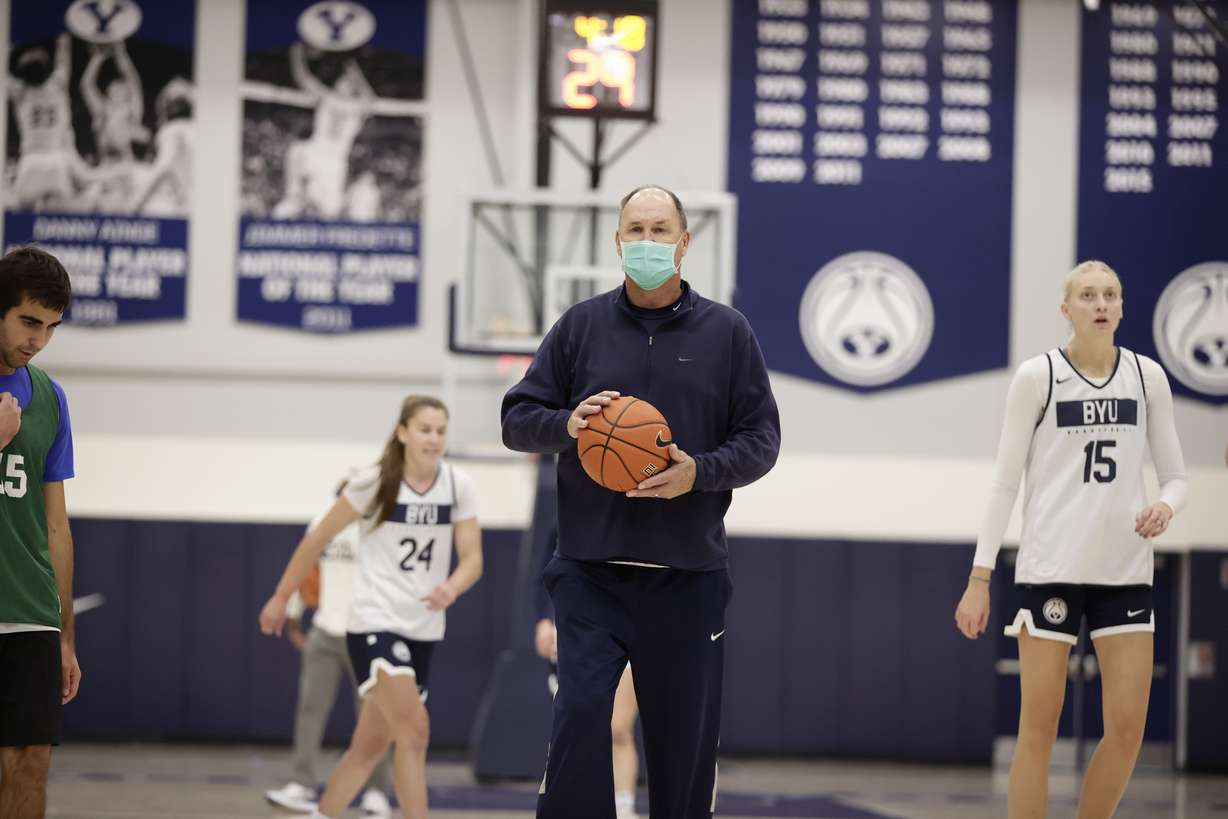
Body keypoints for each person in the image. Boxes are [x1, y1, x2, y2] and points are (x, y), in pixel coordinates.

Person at [501, 185, 781, 819]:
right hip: (589, 574)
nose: (647, 242)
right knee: (577, 724)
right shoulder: (580, 326)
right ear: (617, 242)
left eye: (660, 230)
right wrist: (569, 423)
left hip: (687, 579)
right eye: (635, 230)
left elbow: (762, 441)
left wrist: (700, 473)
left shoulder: (727, 333)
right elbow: (517, 418)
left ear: (684, 243)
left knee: (682, 754)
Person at [955, 260, 1188, 819]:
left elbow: (1177, 477)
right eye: (1087, 295)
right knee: (1039, 727)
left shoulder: (1147, 376)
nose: (1101, 304)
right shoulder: (1039, 377)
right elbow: (1005, 484)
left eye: (1110, 294)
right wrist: (979, 579)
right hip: (1050, 568)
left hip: (1125, 570)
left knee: (1128, 727)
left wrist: (1164, 505)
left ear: (1123, 306)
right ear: (1067, 308)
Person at [259, 395, 483, 819]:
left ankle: (323, 813)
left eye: (440, 430)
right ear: (402, 432)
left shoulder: (458, 485)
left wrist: (450, 588)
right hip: (374, 622)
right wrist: (281, 596)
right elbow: (316, 539)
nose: (434, 438)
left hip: (424, 629)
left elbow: (473, 559)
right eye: (424, 429)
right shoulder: (373, 482)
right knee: (415, 733)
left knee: (367, 749)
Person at [0, 246, 81, 819]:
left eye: (51, 327)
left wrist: (65, 633)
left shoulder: (50, 397)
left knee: (31, 760)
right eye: (29, 321)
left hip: (28, 609)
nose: (39, 339)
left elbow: (55, 523)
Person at [264, 477, 394, 817]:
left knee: (374, 717)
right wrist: (292, 615)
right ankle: (302, 784)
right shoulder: (322, 522)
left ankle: (377, 792)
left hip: (366, 634)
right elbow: (303, 567)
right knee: (309, 709)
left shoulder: (378, 526)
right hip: (324, 631)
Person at [533, 523, 640, 819]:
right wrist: (544, 619)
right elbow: (545, 572)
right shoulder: (571, 511)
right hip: (580, 626)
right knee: (577, 726)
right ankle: (570, 802)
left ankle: (624, 804)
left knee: (618, 727)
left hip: (631, 620)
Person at [272, 43, 374, 220]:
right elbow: (303, 78)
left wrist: (353, 71)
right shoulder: (327, 97)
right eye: (342, 81)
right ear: (336, 84)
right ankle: (293, 195)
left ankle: (310, 203)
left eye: (349, 83)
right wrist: (296, 53)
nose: (345, 83)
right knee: (297, 150)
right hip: (316, 149)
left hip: (335, 161)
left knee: (330, 212)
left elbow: (369, 98)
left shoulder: (357, 107)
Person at [7, 35, 96, 211]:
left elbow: (4, 70)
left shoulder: (20, 93)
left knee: (21, 225)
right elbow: (64, 58)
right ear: (48, 69)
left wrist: (10, 45)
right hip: (56, 161)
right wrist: (62, 36)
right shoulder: (57, 86)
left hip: (30, 161)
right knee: (57, 222)